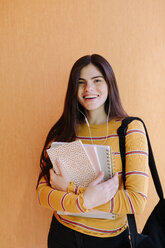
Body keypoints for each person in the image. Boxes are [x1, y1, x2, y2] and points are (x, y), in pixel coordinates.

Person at [36, 54, 149, 248]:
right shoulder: (64, 130)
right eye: (81, 83)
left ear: (110, 84)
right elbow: (43, 192)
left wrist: (75, 192)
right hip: (63, 235)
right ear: (73, 89)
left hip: (110, 241)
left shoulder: (129, 130)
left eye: (97, 80)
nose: (89, 89)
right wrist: (84, 201)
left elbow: (137, 201)